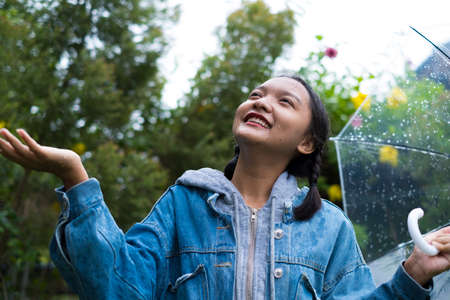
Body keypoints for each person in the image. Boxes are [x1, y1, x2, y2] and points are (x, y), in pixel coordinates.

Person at [0, 75, 449, 300]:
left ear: (307, 141)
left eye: (283, 101)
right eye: (256, 94)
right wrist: (76, 179)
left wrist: (410, 276)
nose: (260, 101)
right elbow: (116, 288)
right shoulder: (182, 205)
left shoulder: (330, 228)